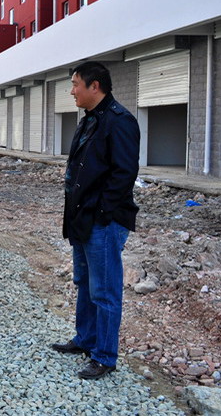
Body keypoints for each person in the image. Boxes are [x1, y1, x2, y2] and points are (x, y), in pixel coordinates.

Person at [51, 61, 140, 379]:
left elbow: (124, 174)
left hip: (102, 222)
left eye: (76, 84)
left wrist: (102, 214)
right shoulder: (89, 120)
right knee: (85, 283)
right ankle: (86, 339)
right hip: (82, 219)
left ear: (95, 86)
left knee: (104, 290)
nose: (72, 91)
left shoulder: (120, 121)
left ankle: (104, 356)